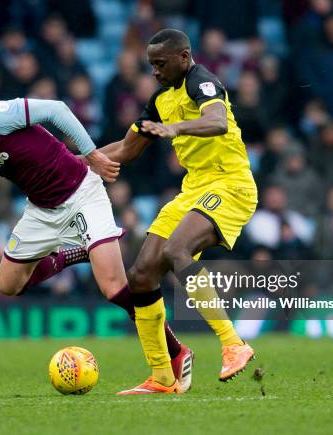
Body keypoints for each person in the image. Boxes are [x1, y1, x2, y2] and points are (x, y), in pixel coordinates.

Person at [0, 97, 195, 390]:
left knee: (114, 288)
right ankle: (78, 252)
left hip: (81, 194)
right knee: (8, 284)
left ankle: (175, 352)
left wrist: (93, 155)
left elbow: (56, 109)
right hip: (41, 211)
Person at [100, 29, 258, 394]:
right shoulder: (158, 100)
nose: (154, 72)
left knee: (175, 251)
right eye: (150, 65)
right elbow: (126, 148)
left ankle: (234, 344)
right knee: (140, 275)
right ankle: (163, 377)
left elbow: (217, 121)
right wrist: (78, 160)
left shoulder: (202, 81)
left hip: (230, 184)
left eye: (160, 63)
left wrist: (174, 129)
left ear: (183, 58)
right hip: (194, 188)